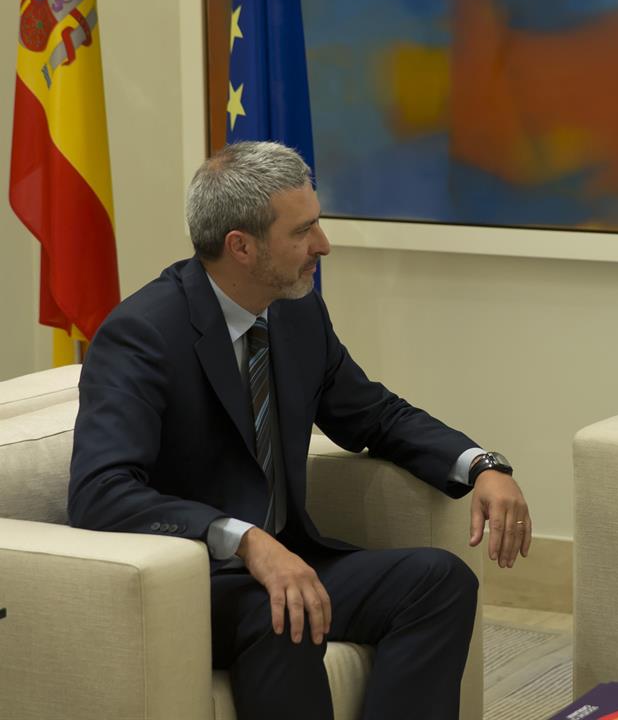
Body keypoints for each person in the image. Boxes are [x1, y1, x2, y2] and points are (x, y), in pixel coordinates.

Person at [68, 141, 531, 719]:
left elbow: (375, 415)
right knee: (285, 610)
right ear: (241, 246)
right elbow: (100, 492)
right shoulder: (142, 334)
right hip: (196, 584)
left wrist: (481, 464)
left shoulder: (295, 311)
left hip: (292, 560)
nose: (323, 246)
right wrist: (244, 539)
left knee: (439, 581)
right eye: (303, 231)